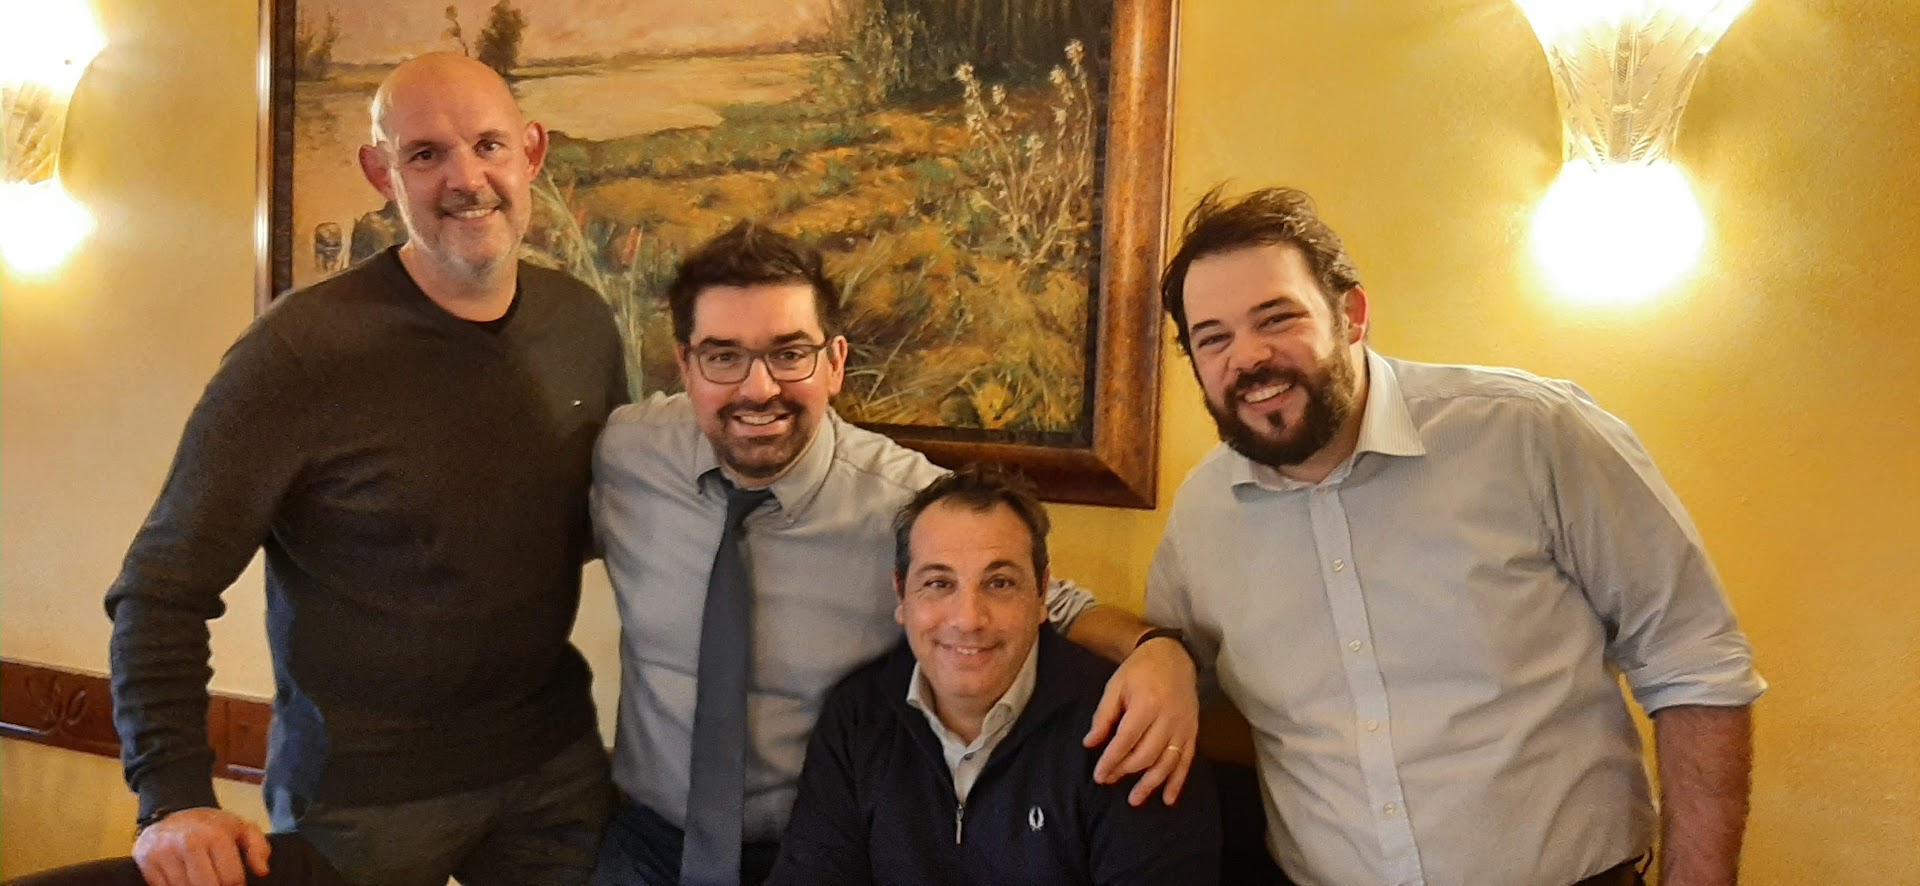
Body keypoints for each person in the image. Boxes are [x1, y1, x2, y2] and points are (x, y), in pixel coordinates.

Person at [105, 53, 628, 886]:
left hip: (553, 775)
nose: (467, 179)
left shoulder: (583, 324)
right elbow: (160, 587)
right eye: (425, 154)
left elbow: (589, 521)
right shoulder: (297, 352)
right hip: (360, 803)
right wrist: (171, 797)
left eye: (489, 145)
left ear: (531, 152)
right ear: (381, 174)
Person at [1144, 187, 1766, 886]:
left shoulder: (1531, 432)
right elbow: (1173, 673)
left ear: (1352, 315)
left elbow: (1697, 664)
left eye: (1277, 318)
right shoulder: (1202, 515)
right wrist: (1152, 649)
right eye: (1213, 338)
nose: (1248, 357)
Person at [590, 222, 1201, 886]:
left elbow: (1040, 604)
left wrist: (1158, 653)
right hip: (646, 844)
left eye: (790, 353)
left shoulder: (910, 507)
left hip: (824, 847)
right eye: (723, 356)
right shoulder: (626, 455)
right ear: (685, 365)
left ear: (835, 362)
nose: (758, 388)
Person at [766, 465, 1221, 885]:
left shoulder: (1129, 725)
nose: (968, 619)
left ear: (1042, 593)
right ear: (902, 596)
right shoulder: (858, 717)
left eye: (999, 583)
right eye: (939, 583)